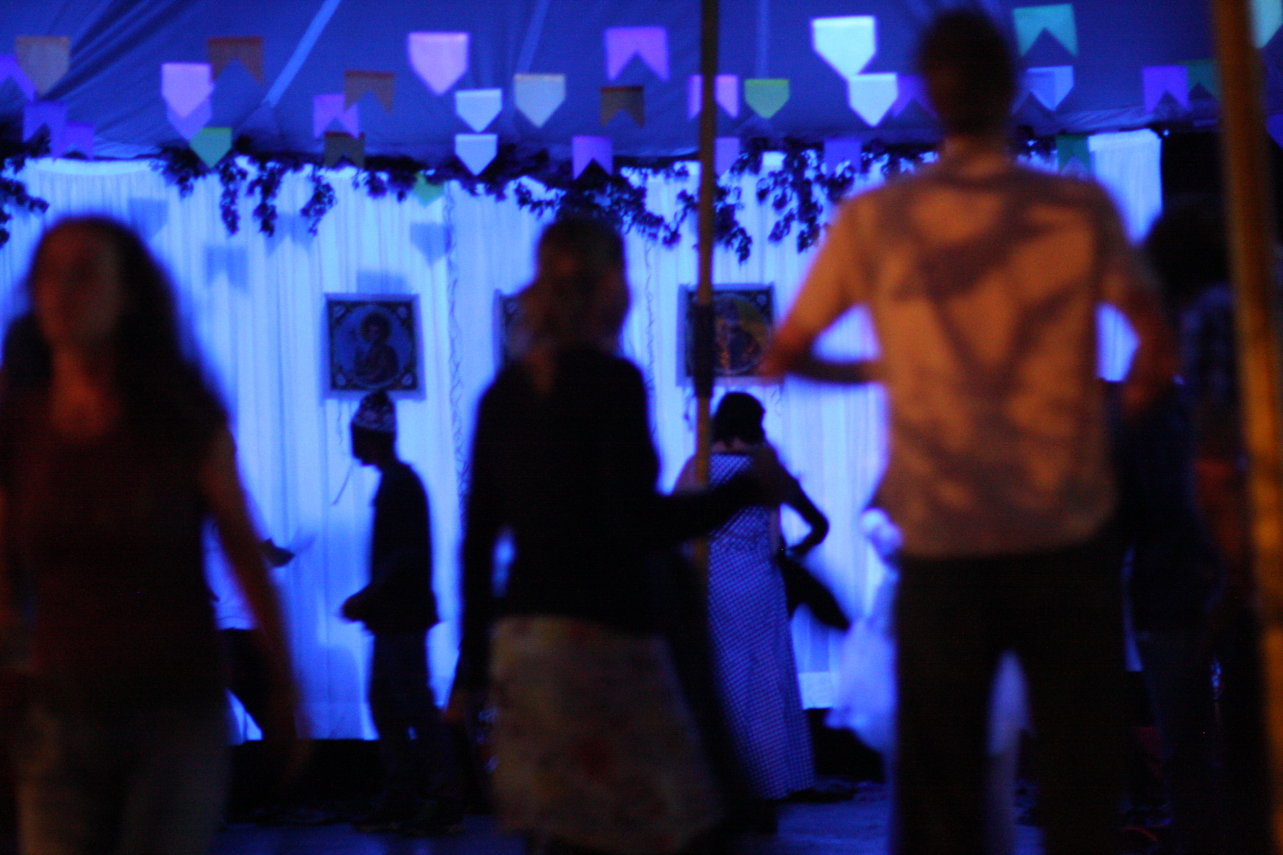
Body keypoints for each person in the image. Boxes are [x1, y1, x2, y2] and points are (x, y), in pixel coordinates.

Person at [762, 11, 1177, 855]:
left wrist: (887, 369)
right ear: (1011, 88)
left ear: (926, 96)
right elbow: (1156, 344)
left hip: (943, 539)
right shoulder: (1073, 208)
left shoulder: (879, 218)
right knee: (1079, 788)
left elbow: (785, 353)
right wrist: (1105, 428)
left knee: (942, 794)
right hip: (1062, 533)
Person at [456, 217, 785, 855]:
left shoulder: (502, 395)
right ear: (612, 286)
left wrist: (472, 668)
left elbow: (476, 543)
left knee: (561, 836)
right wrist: (747, 488)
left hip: (526, 645)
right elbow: (638, 524)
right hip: (602, 639)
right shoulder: (612, 383)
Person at [0, 216, 300, 855]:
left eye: (84, 274)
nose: (62, 291)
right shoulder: (19, 424)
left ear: (127, 294)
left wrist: (283, 678)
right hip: (59, 710)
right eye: (50, 275)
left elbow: (242, 548)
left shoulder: (178, 413)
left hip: (172, 708)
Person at [674, 392, 826, 827]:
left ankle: (718, 783)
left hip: (715, 583)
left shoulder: (699, 466)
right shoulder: (764, 467)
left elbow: (677, 524)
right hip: (760, 582)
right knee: (765, 678)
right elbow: (814, 524)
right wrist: (793, 552)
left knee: (723, 676)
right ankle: (768, 781)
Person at [340, 389, 462, 836]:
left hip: (400, 618)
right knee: (389, 705)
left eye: (355, 434)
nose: (351, 442)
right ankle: (403, 795)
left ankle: (442, 797)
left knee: (411, 706)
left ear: (370, 437)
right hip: (393, 617)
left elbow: (404, 557)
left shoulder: (399, 486)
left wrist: (368, 596)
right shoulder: (398, 482)